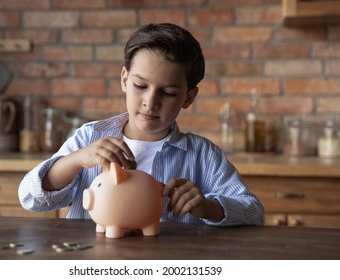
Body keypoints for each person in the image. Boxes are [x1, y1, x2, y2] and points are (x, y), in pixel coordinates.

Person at [18, 23, 264, 226]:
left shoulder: (203, 156)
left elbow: (254, 211)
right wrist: (75, 160)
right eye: (141, 86)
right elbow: (30, 199)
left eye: (167, 92)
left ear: (188, 97)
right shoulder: (88, 138)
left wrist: (209, 207)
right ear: (125, 80)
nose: (151, 102)